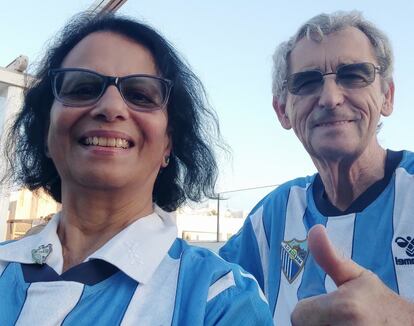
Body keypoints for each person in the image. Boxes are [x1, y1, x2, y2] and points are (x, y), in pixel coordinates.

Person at [0, 13, 272, 325]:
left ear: (169, 143)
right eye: (82, 88)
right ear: (46, 133)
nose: (111, 107)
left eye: (141, 95)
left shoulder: (221, 299)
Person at [220, 10, 414, 325]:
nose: (330, 97)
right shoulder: (271, 218)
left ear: (387, 96)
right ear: (282, 110)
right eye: (306, 82)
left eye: (353, 74)